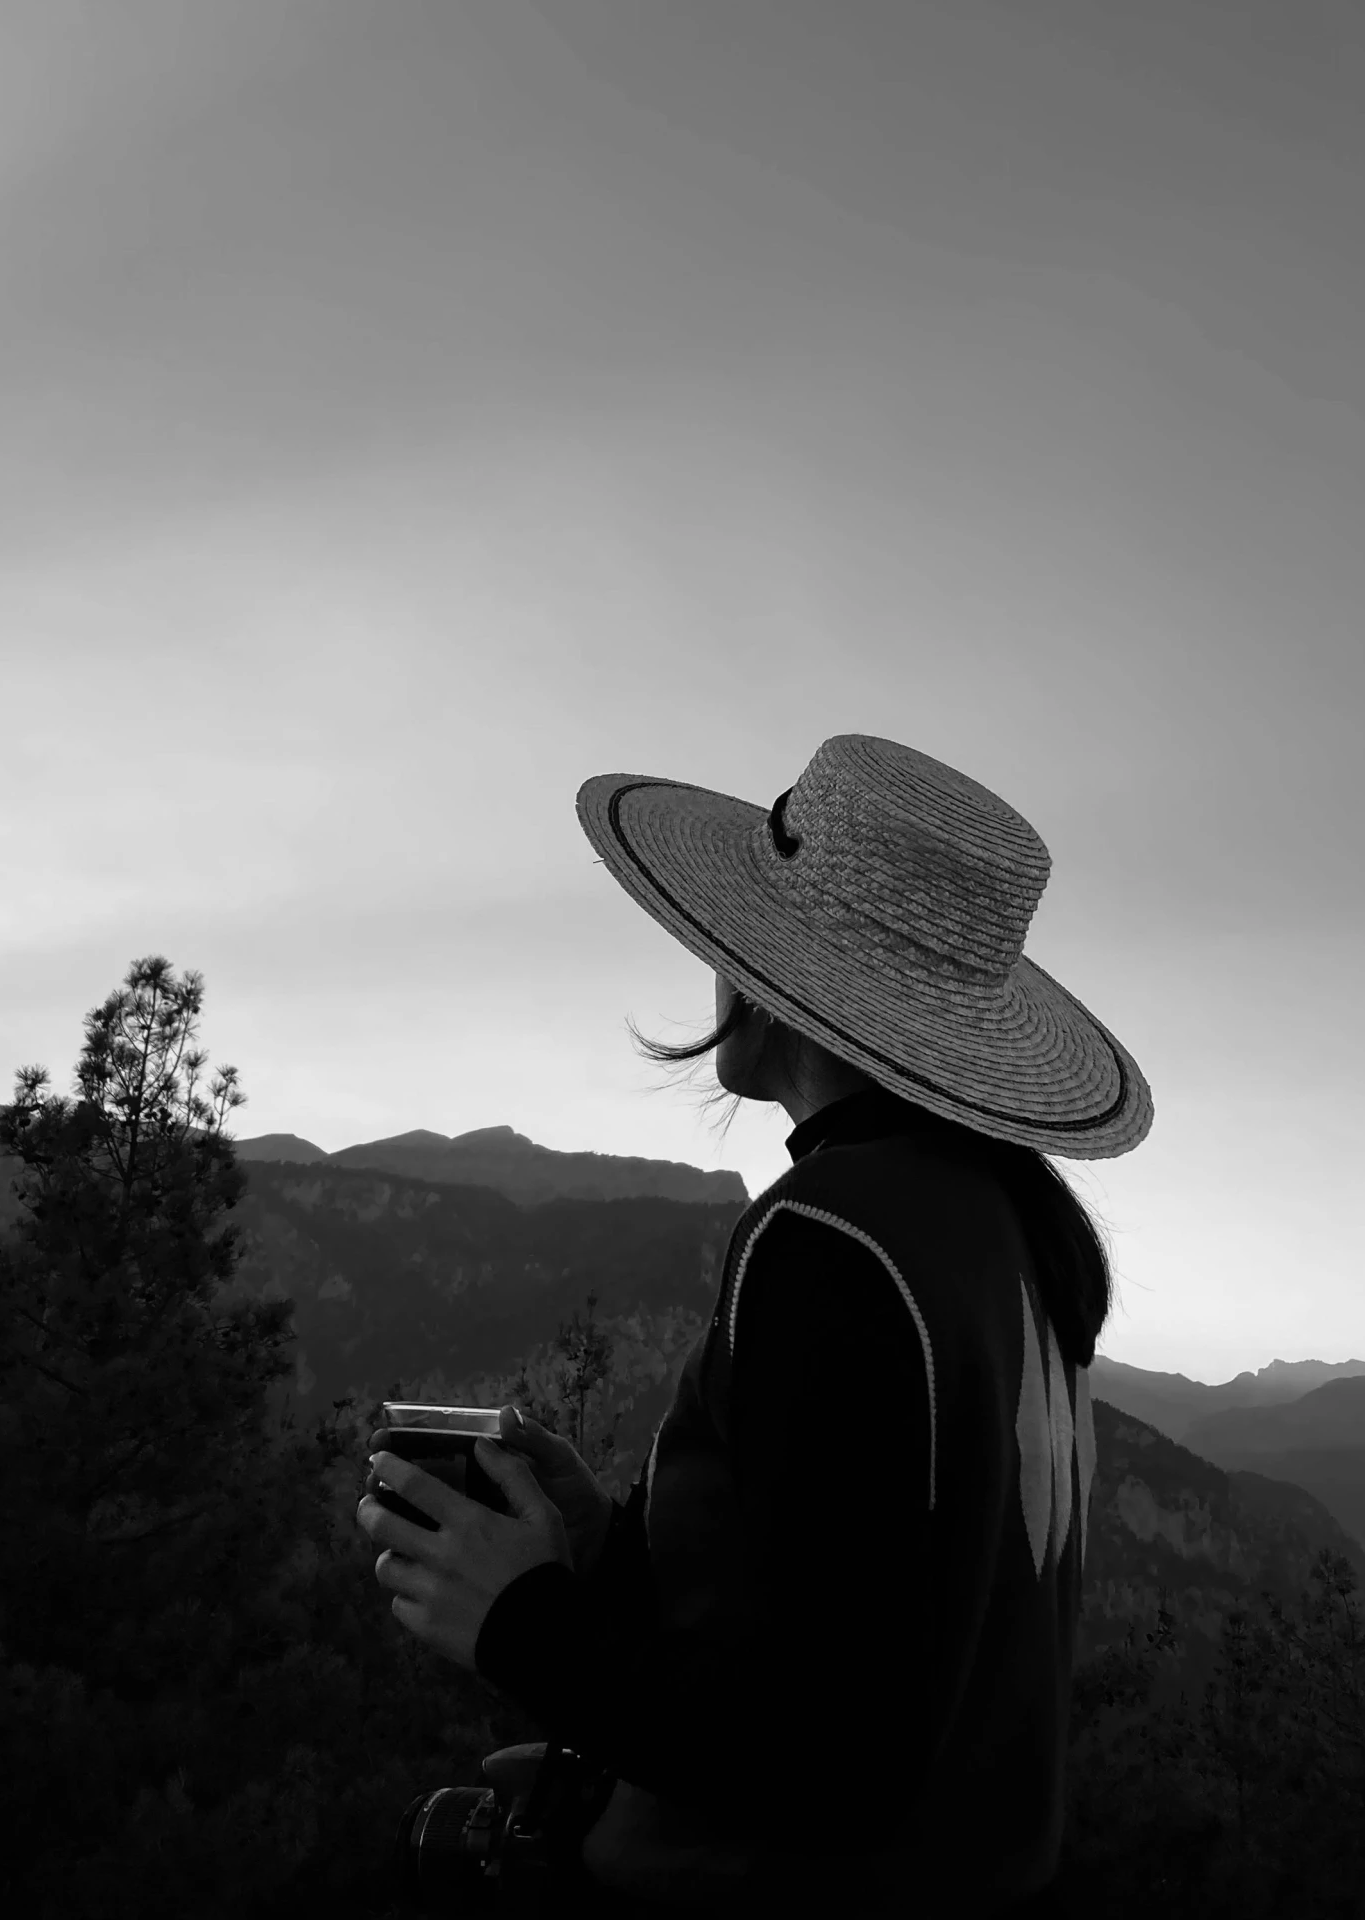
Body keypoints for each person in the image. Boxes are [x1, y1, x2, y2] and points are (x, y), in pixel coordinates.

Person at [360, 733, 1152, 1914]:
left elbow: (825, 1766)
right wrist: (610, 1552)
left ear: (779, 977)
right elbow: (867, 1628)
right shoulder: (1012, 1238)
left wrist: (523, 1627)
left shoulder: (835, 1236)